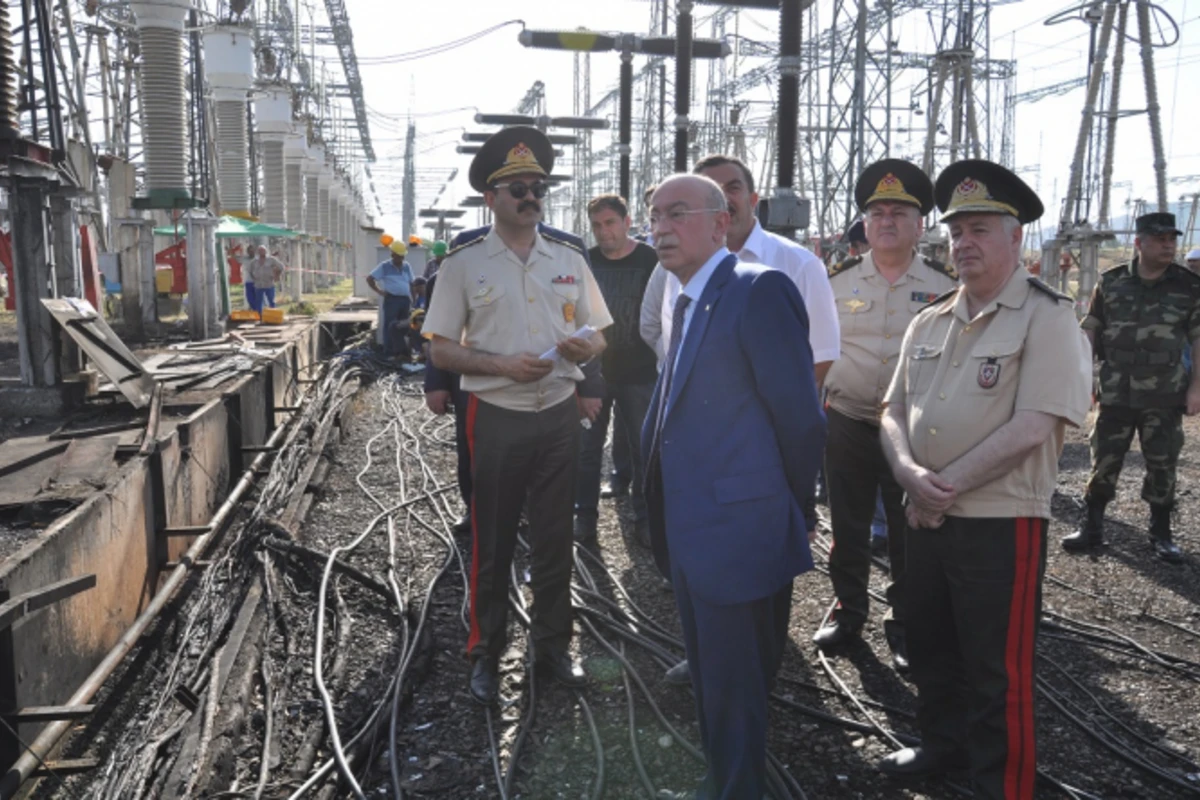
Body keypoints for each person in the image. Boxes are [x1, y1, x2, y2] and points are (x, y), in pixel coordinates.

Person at [877, 160, 1090, 799]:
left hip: (999, 521)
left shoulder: (1047, 317)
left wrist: (941, 488)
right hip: (925, 514)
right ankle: (942, 746)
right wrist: (912, 475)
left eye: (979, 229)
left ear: (1015, 236)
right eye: (956, 232)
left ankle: (1004, 784)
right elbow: (890, 411)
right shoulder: (931, 317)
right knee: (931, 642)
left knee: (998, 668)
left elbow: (1037, 423)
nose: (962, 243)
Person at [642, 174, 825, 799]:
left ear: (721, 223)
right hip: (694, 529)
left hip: (737, 529)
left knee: (736, 687)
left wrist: (794, 507)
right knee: (717, 683)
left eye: (676, 213)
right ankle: (723, 783)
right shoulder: (684, 295)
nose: (659, 227)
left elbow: (800, 418)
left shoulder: (757, 290)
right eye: (654, 215)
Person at [423, 126, 613, 706]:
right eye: (517, 189)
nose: (531, 197)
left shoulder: (570, 258)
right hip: (497, 414)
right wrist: (501, 364)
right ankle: (486, 651)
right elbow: (439, 348)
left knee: (557, 538)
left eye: (538, 187)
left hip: (556, 413)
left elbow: (601, 332)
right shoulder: (463, 263)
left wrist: (587, 350)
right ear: (492, 199)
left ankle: (554, 648)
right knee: (494, 538)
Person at [659, 153, 840, 686]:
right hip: (705, 474)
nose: (724, 197)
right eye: (709, 189)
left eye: (731, 187)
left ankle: (756, 673)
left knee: (759, 606)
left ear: (746, 199)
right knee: (718, 613)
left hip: (760, 469)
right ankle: (720, 663)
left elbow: (816, 367)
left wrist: (789, 490)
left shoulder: (792, 265)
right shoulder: (679, 266)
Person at [814, 159, 959, 674]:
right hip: (848, 420)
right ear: (865, 224)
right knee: (848, 526)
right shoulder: (836, 282)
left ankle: (905, 623)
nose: (887, 221)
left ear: (921, 224)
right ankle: (849, 611)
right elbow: (817, 348)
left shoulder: (946, 286)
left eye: (899, 212)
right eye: (877, 213)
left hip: (914, 429)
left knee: (908, 532)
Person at [1063, 212, 1198, 564]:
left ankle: (1161, 533)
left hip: (1165, 392)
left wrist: (1197, 386)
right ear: (1140, 243)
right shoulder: (1111, 282)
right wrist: (1081, 378)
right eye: (1161, 239)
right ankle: (1091, 527)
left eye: (1172, 239)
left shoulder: (1188, 286)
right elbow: (1091, 327)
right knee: (1104, 458)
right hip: (1116, 389)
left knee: (1162, 461)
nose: (1169, 245)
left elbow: (1198, 339)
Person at [574, 195, 660, 545]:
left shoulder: (652, 260)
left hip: (641, 372)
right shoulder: (585, 263)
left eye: (610, 223)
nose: (603, 231)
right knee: (586, 447)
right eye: (596, 225)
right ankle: (584, 517)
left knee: (644, 448)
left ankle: (644, 517)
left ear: (627, 222)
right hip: (594, 373)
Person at [368, 241, 415, 357]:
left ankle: (401, 352)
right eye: (399, 255)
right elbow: (370, 278)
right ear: (393, 254)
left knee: (403, 327)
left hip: (405, 300)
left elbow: (411, 283)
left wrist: (413, 299)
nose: (402, 258)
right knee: (390, 325)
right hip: (392, 300)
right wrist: (379, 291)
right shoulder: (385, 266)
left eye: (403, 255)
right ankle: (389, 352)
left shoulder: (407, 266)